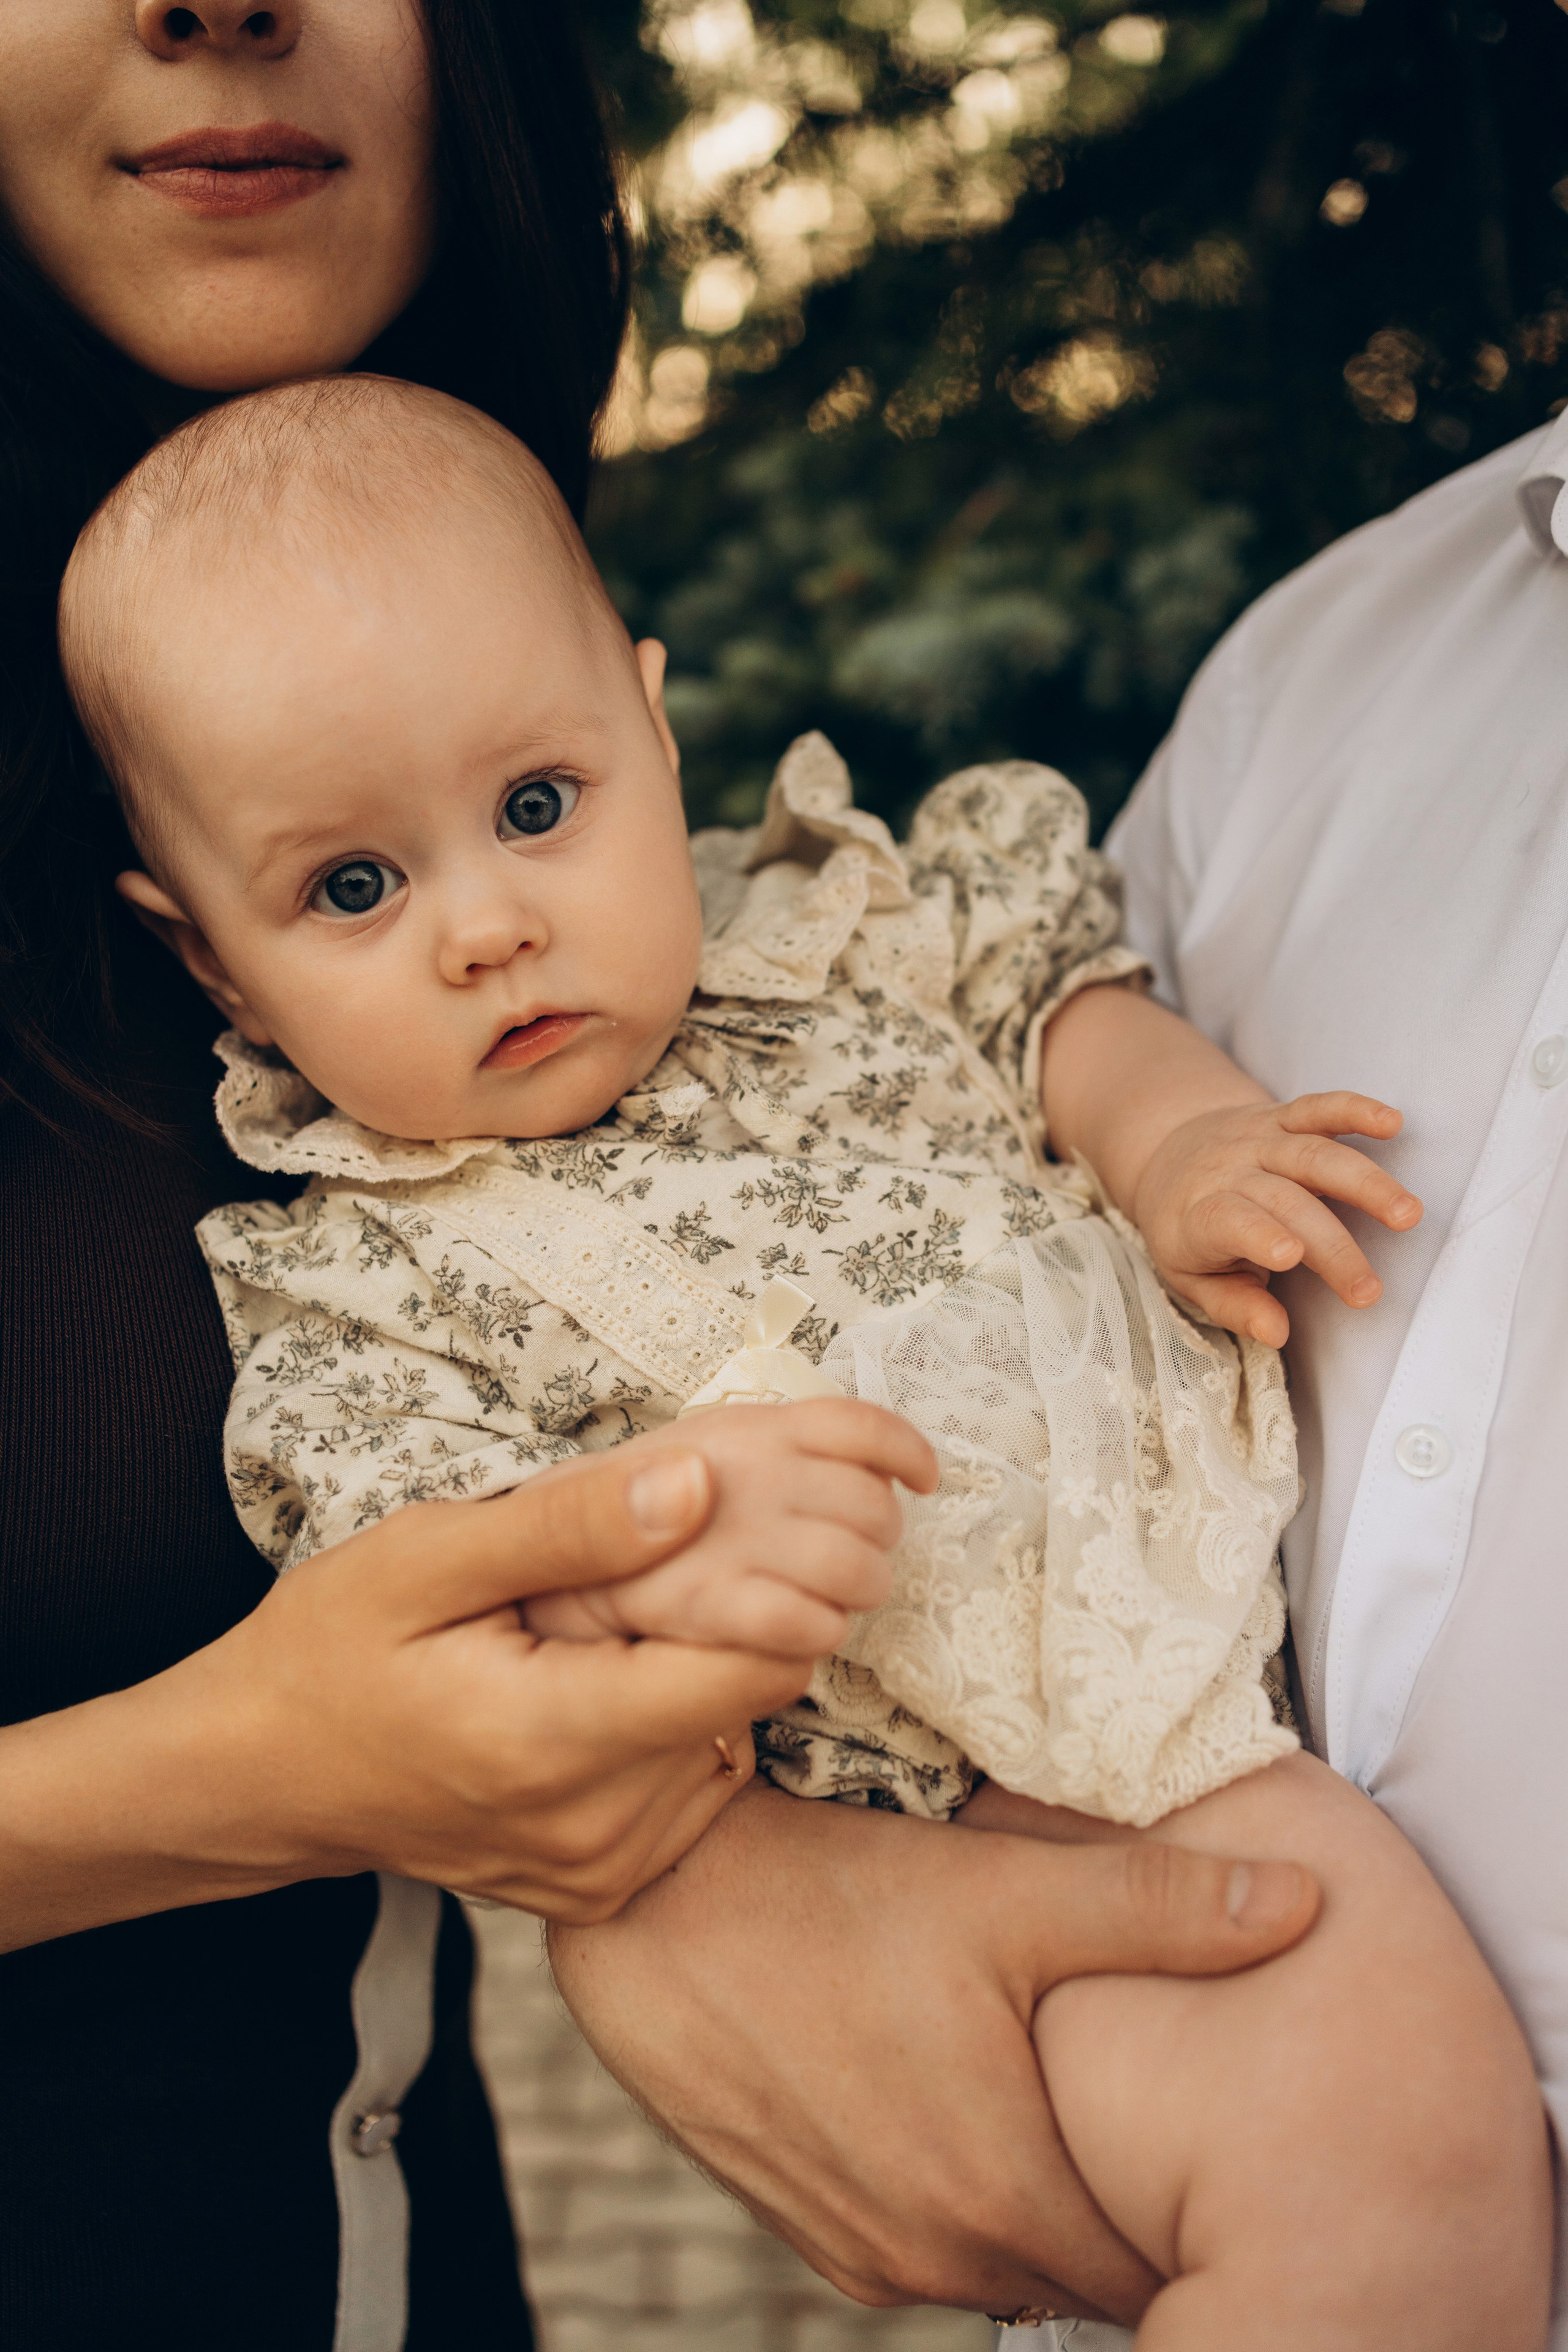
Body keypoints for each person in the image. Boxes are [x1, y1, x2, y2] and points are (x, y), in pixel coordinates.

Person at [0, 7, 1318, 2348]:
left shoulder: (704, 928)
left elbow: (1016, 1001)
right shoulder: (344, 1217)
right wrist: (247, 1777)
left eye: (537, 805)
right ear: (202, 948)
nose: (216, 2)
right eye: (346, 889)